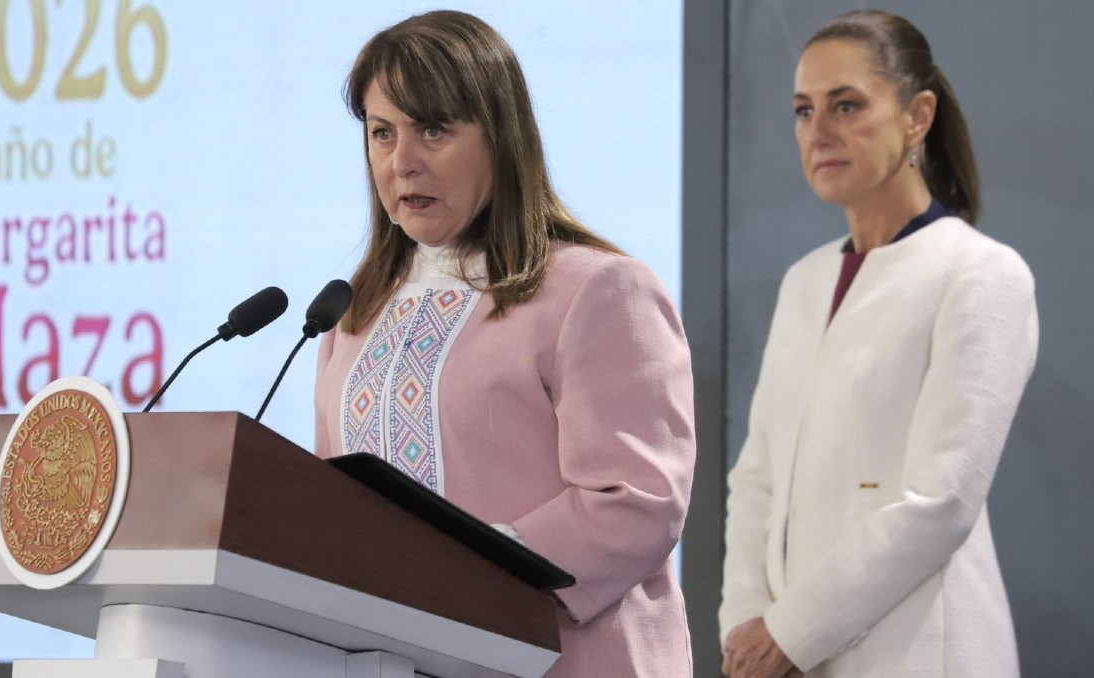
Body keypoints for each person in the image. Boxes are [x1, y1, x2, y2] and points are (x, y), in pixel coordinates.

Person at [312, 10, 696, 677]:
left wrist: (466, 574)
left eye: (433, 129)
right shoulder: (353, 314)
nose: (402, 161)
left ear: (500, 135)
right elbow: (335, 510)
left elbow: (637, 501)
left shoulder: (597, 289)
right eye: (382, 132)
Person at [719, 10, 1037, 678]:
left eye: (846, 105)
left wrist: (790, 633)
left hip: (922, 652)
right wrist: (745, 623)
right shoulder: (804, 282)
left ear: (918, 115)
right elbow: (757, 478)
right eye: (803, 111)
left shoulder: (981, 273)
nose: (819, 132)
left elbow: (943, 502)